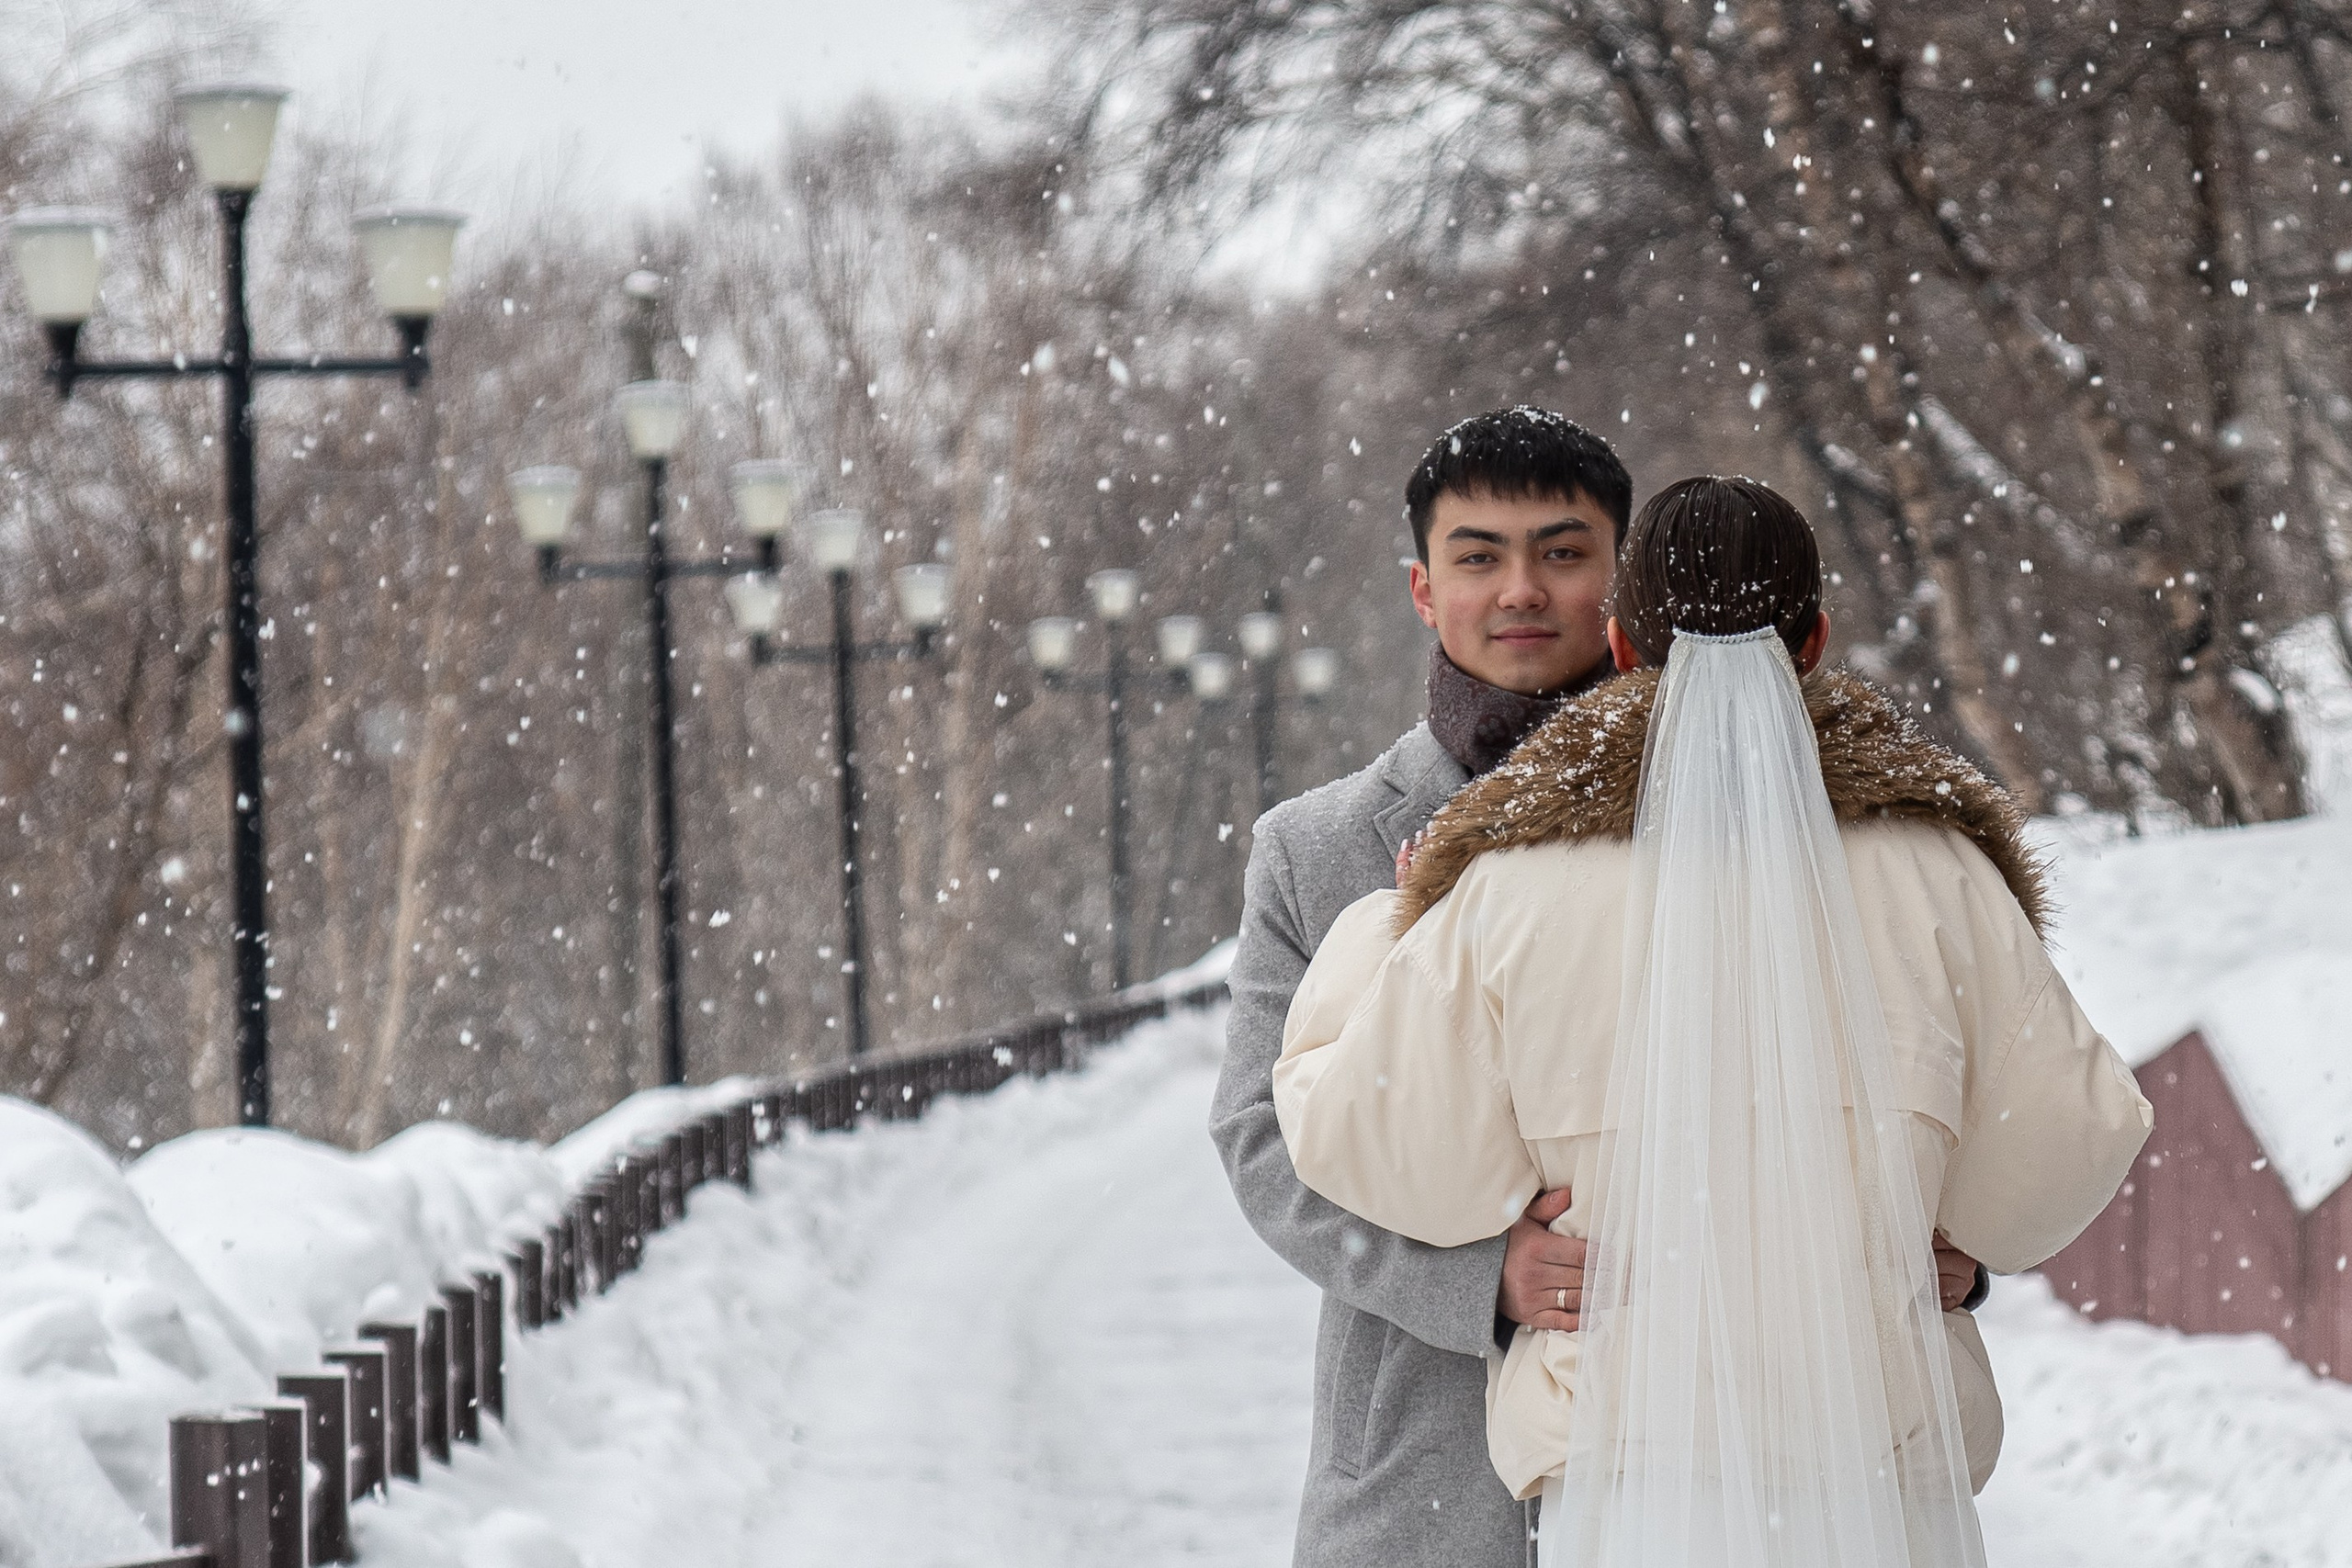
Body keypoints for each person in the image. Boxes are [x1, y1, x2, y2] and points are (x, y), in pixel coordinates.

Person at [1271, 477, 2153, 1565]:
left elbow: (1376, 1144)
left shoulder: (1513, 886)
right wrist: (1952, 1233)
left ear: (1621, 647)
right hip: (1880, 1459)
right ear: (1814, 640)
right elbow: (2073, 1138)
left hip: (1635, 1469)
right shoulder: (1942, 874)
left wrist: (1386, 924)